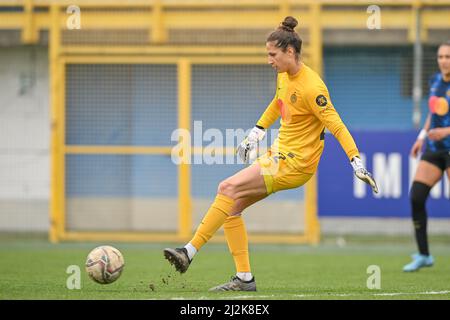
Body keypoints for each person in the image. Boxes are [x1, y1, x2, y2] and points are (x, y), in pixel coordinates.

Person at [164, 16, 378, 291]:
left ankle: (188, 252)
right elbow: (278, 104)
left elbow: (336, 125)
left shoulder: (313, 87)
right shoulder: (283, 76)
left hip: (294, 163)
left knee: (226, 187)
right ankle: (244, 279)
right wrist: (255, 133)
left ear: (290, 52)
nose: (269, 60)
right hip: (278, 154)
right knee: (232, 207)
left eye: (272, 54)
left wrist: (356, 162)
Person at [403, 41, 450, 272]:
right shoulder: (435, 82)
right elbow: (433, 115)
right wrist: (421, 137)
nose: (443, 60)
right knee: (416, 196)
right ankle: (424, 254)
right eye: (441, 56)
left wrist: (446, 131)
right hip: (434, 148)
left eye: (448, 57)